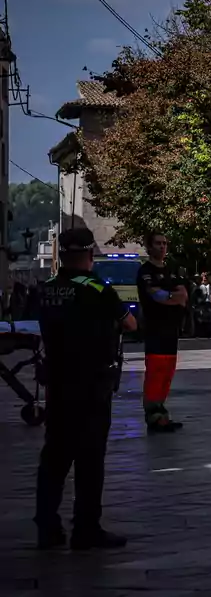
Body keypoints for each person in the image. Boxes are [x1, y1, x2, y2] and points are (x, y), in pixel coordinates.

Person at [36, 227, 138, 550]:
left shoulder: (47, 289)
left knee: (54, 456)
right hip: (91, 383)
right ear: (90, 255)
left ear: (62, 256)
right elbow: (130, 324)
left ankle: (47, 526)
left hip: (58, 382)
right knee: (90, 457)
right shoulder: (97, 289)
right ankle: (86, 527)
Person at [136, 233, 189, 433]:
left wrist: (170, 296)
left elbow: (183, 296)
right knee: (155, 373)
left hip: (171, 330)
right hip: (154, 329)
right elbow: (154, 295)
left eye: (165, 243)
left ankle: (161, 412)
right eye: (157, 243)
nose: (162, 247)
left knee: (167, 373)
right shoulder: (145, 271)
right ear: (149, 247)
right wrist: (171, 296)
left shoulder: (172, 270)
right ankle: (152, 415)